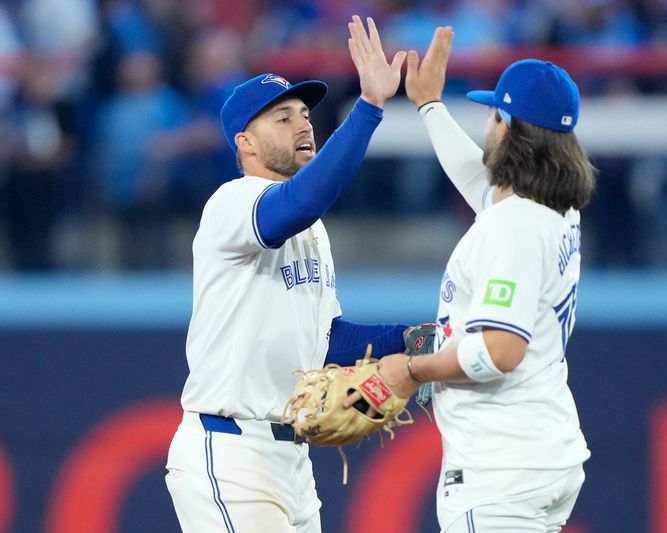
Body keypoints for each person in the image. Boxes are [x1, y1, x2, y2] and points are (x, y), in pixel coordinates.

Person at [165, 16, 412, 533]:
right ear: (245, 144)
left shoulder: (312, 229)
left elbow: (325, 341)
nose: (303, 124)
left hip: (292, 464)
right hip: (230, 452)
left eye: (304, 113)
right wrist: (367, 108)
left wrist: (410, 340)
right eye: (282, 118)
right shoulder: (233, 203)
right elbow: (299, 201)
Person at [367, 27, 597, 532]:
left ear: (509, 128)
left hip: (501, 466)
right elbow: (484, 185)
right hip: (542, 450)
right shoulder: (554, 207)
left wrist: (412, 371)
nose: (487, 124)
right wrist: (429, 106)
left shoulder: (513, 226)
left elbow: (499, 352)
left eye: (494, 114)